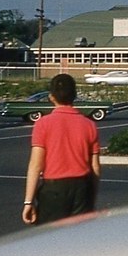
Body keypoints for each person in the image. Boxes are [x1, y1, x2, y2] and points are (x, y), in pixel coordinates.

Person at [22, 74, 101, 225]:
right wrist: (92, 198)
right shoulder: (89, 125)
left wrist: (28, 202)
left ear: (51, 97)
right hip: (81, 188)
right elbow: (95, 167)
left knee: (52, 240)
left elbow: (36, 165)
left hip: (54, 189)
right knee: (79, 238)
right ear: (75, 96)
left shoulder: (43, 124)